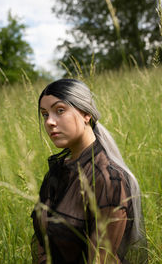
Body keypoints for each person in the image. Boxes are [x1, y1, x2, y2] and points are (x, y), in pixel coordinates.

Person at [31, 78, 147, 264]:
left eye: (60, 110)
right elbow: (43, 243)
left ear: (86, 113)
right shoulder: (58, 172)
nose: (50, 122)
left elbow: (100, 259)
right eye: (45, 114)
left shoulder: (108, 179)